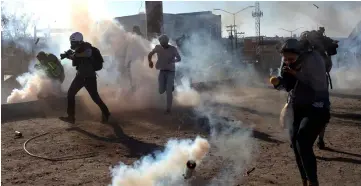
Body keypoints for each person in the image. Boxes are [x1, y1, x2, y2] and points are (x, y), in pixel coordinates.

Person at [271, 38, 330, 186]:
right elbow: (287, 84)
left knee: (302, 140)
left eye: (291, 59)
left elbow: (318, 86)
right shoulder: (287, 61)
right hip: (297, 107)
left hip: (317, 107)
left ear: (301, 54)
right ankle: (305, 180)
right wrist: (279, 83)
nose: (288, 62)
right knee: (295, 143)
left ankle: (313, 182)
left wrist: (295, 73)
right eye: (285, 59)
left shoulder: (314, 60)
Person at [300, 27, 339, 149]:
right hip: (321, 88)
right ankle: (320, 140)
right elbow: (328, 68)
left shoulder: (304, 55)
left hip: (306, 88)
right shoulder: (323, 56)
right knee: (322, 114)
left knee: (301, 112)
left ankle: (301, 139)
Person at [59, 32, 110, 124]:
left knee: (74, 94)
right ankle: (106, 113)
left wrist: (74, 55)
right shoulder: (79, 49)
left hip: (85, 76)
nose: (71, 44)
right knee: (93, 97)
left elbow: (88, 53)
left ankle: (71, 117)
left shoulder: (86, 46)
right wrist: (68, 56)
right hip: (86, 76)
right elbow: (80, 59)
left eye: (72, 42)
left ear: (77, 41)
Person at [148, 34, 181, 114]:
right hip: (162, 71)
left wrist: (173, 61)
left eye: (164, 43)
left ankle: (168, 109)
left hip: (171, 71)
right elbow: (150, 54)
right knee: (161, 90)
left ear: (167, 42)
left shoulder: (173, 49)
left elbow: (179, 58)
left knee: (168, 91)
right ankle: (171, 85)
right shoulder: (158, 47)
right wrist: (150, 61)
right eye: (161, 43)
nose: (163, 45)